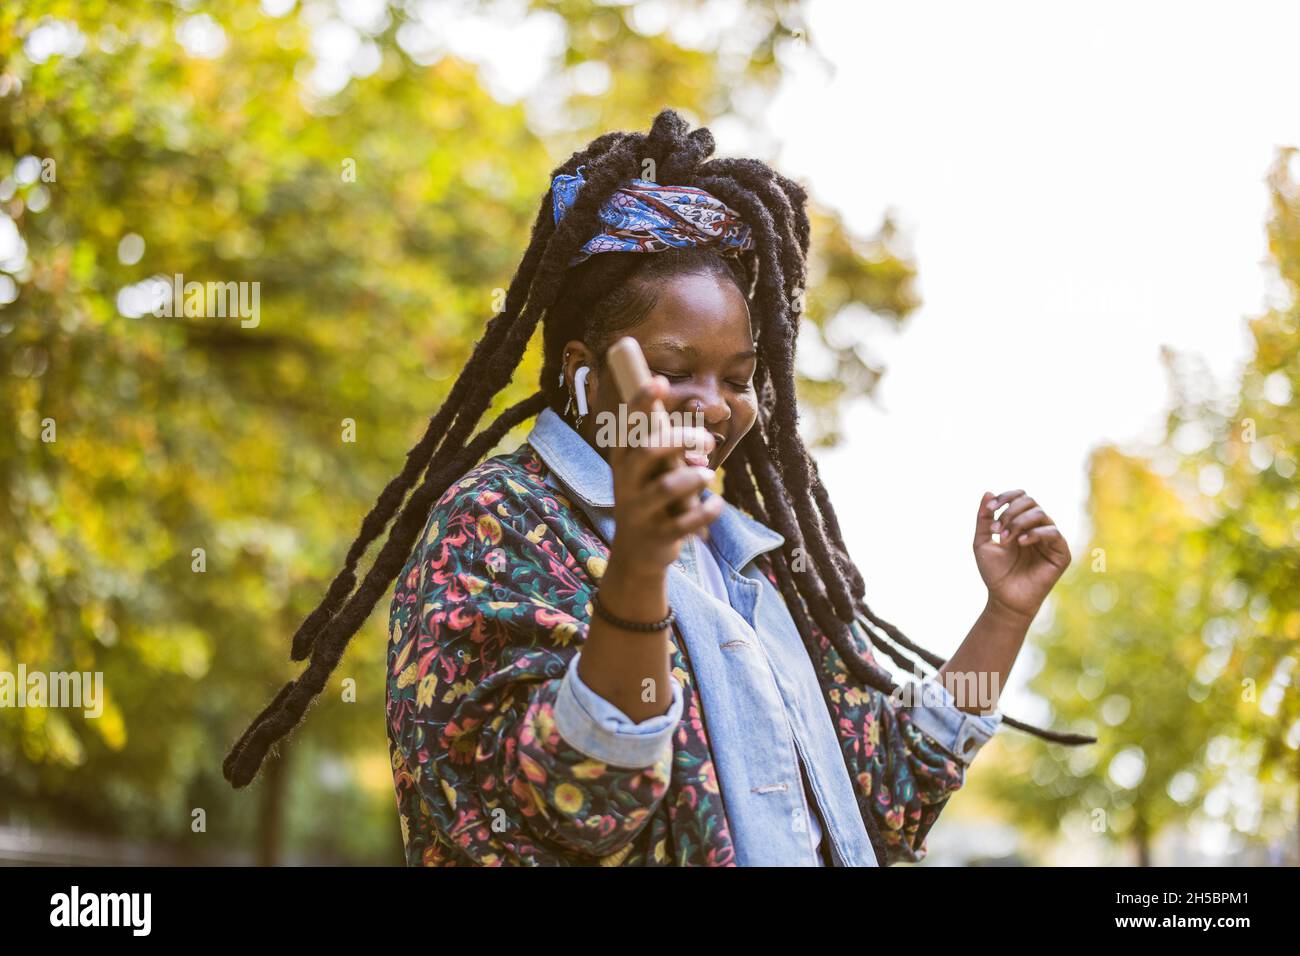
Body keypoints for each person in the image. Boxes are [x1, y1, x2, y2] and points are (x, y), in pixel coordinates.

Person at [224, 109, 1093, 866]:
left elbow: (891, 794)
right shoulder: (494, 524)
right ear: (585, 377)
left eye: (740, 376)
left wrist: (1005, 618)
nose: (715, 409)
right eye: (677, 370)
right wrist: (638, 569)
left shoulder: (749, 555)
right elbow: (573, 811)